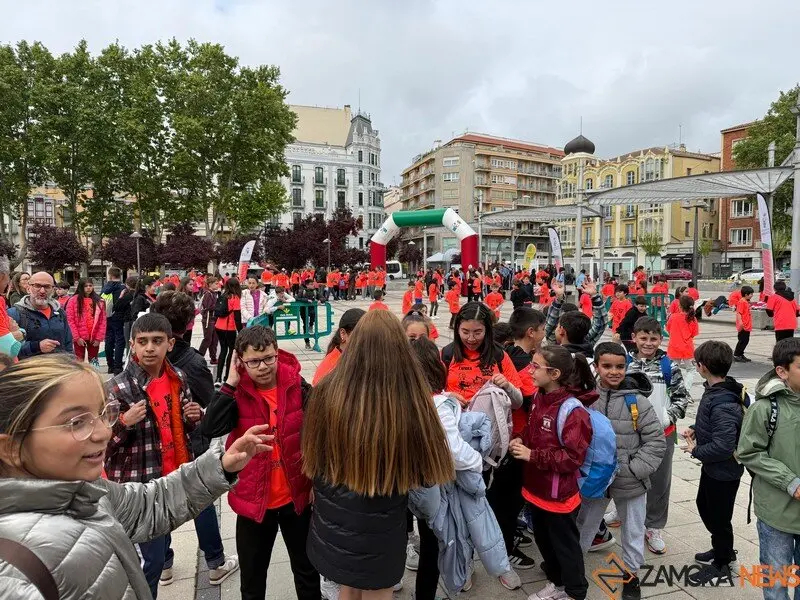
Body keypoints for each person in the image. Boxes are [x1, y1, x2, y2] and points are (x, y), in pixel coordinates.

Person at [0, 354, 272, 599]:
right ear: (10, 448)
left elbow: (149, 503)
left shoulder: (84, 492)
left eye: (101, 414)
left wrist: (221, 465)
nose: (103, 433)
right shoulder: (14, 577)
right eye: (77, 422)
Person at [302, 310, 454, 600]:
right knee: (377, 591)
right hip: (381, 523)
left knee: (348, 586)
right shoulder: (409, 398)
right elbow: (429, 469)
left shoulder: (326, 390)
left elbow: (314, 455)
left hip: (335, 518)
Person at [201, 326, 321, 600]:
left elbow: (318, 434)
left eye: (269, 357)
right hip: (255, 503)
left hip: (297, 500)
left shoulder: (297, 385)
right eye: (254, 361)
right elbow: (209, 428)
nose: (263, 367)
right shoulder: (237, 393)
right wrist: (230, 383)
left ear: (277, 353)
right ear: (240, 362)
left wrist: (317, 479)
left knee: (307, 574)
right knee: (253, 581)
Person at [104, 313, 206, 598]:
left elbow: (179, 426)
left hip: (172, 474)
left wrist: (192, 417)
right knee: (149, 562)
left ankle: (167, 559)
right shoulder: (117, 387)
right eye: (143, 341)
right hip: (139, 487)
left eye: (157, 341)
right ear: (133, 345)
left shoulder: (178, 377)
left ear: (170, 344)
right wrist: (123, 422)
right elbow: (102, 445)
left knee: (161, 542)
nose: (150, 348)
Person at [149, 291, 239, 587]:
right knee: (201, 500)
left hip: (158, 443)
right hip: (189, 443)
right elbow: (211, 405)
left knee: (160, 501)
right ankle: (214, 562)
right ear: (189, 323)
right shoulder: (192, 361)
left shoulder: (143, 354)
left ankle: (164, 563)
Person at [577, 343, 665, 600]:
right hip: (596, 479)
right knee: (584, 524)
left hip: (631, 479)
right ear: (596, 366)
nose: (614, 372)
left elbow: (656, 441)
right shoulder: (588, 397)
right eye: (607, 366)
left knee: (633, 530)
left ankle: (631, 575)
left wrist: (635, 469)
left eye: (619, 366)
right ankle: (573, 568)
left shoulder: (637, 401)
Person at [508, 346, 597, 600]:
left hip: (559, 495)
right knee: (545, 543)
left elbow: (572, 457)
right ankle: (557, 583)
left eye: (536, 366)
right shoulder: (538, 397)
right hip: (536, 488)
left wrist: (532, 455)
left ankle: (575, 591)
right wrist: (520, 440)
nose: (530, 370)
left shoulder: (573, 411)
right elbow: (534, 433)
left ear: (555, 373)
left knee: (565, 547)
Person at [408, 336, 486, 600]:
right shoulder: (438, 405)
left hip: (410, 481)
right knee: (435, 543)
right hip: (434, 484)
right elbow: (453, 450)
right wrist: (478, 461)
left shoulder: (403, 399)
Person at [618, 317, 689, 556]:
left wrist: (668, 417)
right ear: (635, 337)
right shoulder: (624, 363)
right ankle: (621, 511)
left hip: (661, 433)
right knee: (625, 473)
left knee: (659, 481)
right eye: (643, 338)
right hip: (629, 432)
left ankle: (654, 526)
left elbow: (681, 398)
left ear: (660, 339)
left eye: (654, 339)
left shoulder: (670, 366)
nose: (648, 343)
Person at [737, 337, 800, 600]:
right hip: (777, 512)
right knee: (776, 581)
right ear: (782, 371)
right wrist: (790, 481)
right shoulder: (765, 408)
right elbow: (748, 452)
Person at [681, 341, 747, 585]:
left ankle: (723, 562)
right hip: (714, 468)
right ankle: (721, 548)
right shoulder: (717, 391)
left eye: (696, 363)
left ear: (703, 367)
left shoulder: (723, 401)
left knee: (719, 516)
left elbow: (723, 445)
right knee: (705, 505)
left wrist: (696, 450)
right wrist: (695, 429)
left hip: (724, 470)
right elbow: (715, 426)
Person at [489, 307, 546, 578]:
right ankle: (505, 546)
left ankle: (505, 537)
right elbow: (530, 397)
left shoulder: (506, 353)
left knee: (503, 497)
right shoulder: (523, 362)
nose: (545, 334)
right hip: (514, 440)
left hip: (503, 439)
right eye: (543, 329)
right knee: (508, 499)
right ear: (531, 332)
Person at [442, 302, 523, 407]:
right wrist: (447, 396)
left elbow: (518, 403)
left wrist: (507, 386)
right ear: (457, 329)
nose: (471, 339)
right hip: (455, 420)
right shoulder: (446, 355)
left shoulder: (499, 356)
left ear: (487, 331)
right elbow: (431, 396)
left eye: (477, 333)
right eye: (465, 332)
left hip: (491, 422)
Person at [8, 271, 74, 359]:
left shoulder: (60, 313)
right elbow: (7, 349)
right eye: (37, 286)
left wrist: (71, 363)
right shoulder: (14, 314)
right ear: (28, 288)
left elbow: (68, 343)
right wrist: (36, 346)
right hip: (30, 370)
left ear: (53, 290)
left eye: (47, 287)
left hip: (59, 369)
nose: (42, 291)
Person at [545, 281, 607, 347]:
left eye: (558, 326)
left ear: (561, 330)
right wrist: (595, 296)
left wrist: (559, 299)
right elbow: (600, 324)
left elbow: (550, 323)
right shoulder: (586, 342)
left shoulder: (553, 345)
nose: (555, 328)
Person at [312, 308, 365, 385]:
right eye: (361, 335)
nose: (366, 341)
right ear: (343, 333)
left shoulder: (353, 359)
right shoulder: (331, 369)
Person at [65, 277, 107, 364]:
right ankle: (80, 377)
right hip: (79, 337)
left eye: (90, 285)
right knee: (79, 361)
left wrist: (99, 338)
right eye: (86, 286)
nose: (88, 288)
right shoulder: (73, 300)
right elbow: (70, 320)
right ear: (81, 287)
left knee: (94, 361)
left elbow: (103, 321)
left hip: (94, 337)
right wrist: (76, 338)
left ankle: (94, 376)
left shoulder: (99, 301)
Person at [665, 295, 699, 390]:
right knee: (691, 369)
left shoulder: (673, 317)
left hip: (674, 347)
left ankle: (674, 388)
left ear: (680, 306)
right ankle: (686, 388)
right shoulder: (693, 319)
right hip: (687, 348)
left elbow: (668, 329)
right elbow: (694, 333)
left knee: (674, 370)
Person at [214, 277, 243, 385]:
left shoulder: (223, 295)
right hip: (229, 328)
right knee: (231, 351)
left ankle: (217, 378)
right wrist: (241, 331)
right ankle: (226, 377)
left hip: (218, 326)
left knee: (223, 351)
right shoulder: (235, 298)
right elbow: (237, 317)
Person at [101, 267, 127, 374]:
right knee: (120, 341)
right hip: (119, 316)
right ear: (119, 275)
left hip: (107, 316)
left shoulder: (105, 288)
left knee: (109, 340)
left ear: (110, 275)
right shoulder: (122, 288)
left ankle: (110, 365)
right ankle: (117, 366)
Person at [296, 278, 324, 349]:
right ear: (307, 285)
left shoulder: (315, 291)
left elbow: (323, 297)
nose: (313, 286)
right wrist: (306, 300)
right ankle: (307, 342)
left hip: (312, 310)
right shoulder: (302, 291)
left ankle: (311, 325)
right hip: (303, 310)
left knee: (312, 319)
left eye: (313, 284)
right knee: (305, 325)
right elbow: (297, 298)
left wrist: (320, 300)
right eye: (311, 284)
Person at [198, 276, 220, 364]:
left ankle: (213, 358)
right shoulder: (208, 294)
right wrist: (218, 307)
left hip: (214, 319)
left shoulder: (214, 293)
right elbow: (207, 307)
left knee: (214, 339)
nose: (218, 285)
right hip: (208, 319)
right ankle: (199, 357)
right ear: (210, 284)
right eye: (216, 283)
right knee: (207, 339)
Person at [734, 285, 754, 362]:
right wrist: (741, 323)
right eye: (751, 294)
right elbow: (739, 313)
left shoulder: (745, 302)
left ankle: (740, 354)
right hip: (743, 325)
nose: (752, 296)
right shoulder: (742, 302)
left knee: (745, 340)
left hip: (747, 325)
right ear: (746, 294)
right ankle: (736, 354)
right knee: (742, 341)